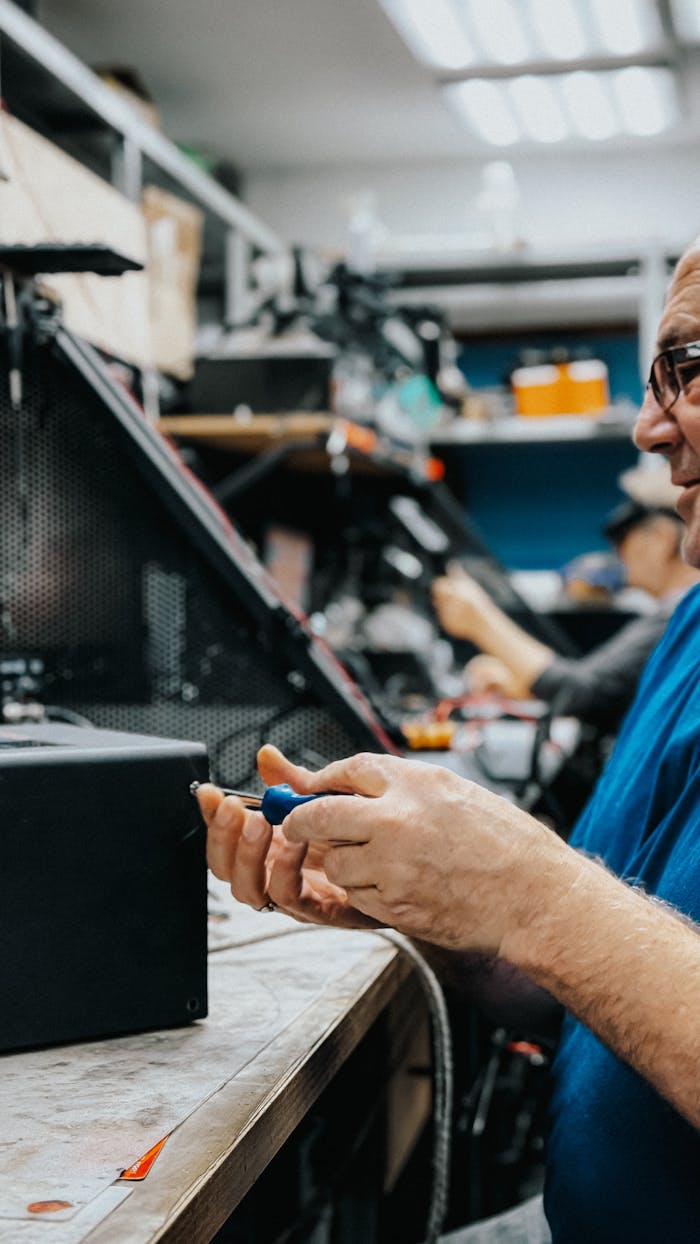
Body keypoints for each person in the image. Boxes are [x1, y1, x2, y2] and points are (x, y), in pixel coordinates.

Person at [197, 236, 700, 1244]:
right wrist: (430, 902)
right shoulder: (689, 628)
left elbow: (569, 918)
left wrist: (535, 891)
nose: (647, 427)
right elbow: (594, 981)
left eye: (685, 370)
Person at [430, 498, 700, 732]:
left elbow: (583, 692)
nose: (618, 554)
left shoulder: (681, 616)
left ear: (662, 537)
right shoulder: (672, 614)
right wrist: (519, 685)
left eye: (622, 541)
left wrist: (479, 619)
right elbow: (613, 694)